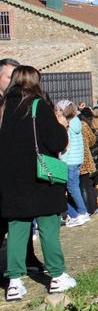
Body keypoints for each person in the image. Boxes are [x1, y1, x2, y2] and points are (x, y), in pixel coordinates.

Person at [0, 65, 76, 300]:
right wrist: (62, 128)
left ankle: (14, 282)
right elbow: (56, 141)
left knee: (17, 230)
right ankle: (57, 275)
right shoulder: (37, 105)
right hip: (40, 179)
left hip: (11, 179)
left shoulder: (4, 107)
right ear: (35, 81)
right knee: (48, 228)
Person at [0, 58, 46, 273]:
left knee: (22, 218)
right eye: (10, 77)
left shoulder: (19, 104)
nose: (14, 82)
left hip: (16, 174)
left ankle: (27, 258)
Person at [56, 100, 91, 227]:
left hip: (69, 160)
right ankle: (81, 212)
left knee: (71, 188)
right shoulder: (77, 121)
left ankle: (81, 212)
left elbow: (65, 144)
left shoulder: (67, 124)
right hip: (77, 159)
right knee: (74, 187)